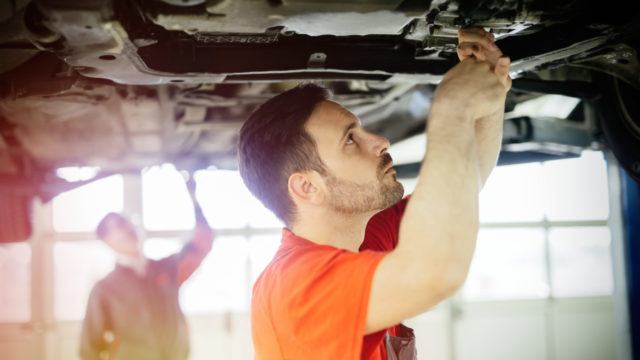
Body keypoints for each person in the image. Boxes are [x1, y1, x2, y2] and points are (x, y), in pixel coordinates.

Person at [238, 27, 511, 359]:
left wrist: (491, 97)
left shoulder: (366, 239)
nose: (381, 141)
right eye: (350, 140)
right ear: (308, 187)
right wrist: (451, 106)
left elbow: (466, 179)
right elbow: (436, 273)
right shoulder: (295, 286)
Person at [79, 175, 213, 360]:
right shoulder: (105, 290)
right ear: (108, 242)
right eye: (117, 227)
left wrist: (193, 198)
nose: (126, 229)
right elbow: (89, 348)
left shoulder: (167, 269)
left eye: (126, 223)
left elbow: (201, 244)